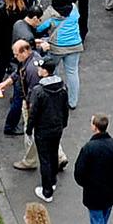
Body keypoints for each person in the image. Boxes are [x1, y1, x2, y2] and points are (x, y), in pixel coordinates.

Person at [30, 55, 71, 203]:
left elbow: (33, 112)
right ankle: (52, 181)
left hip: (43, 129)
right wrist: (64, 123)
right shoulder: (62, 87)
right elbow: (65, 108)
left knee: (45, 159)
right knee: (53, 154)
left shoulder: (38, 90)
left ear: (45, 71)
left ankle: (47, 191)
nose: (38, 70)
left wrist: (29, 129)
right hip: (58, 127)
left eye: (40, 68)